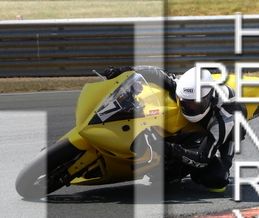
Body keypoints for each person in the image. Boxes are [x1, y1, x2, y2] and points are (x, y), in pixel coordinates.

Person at [103, 65, 249, 193]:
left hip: (228, 130)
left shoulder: (225, 118)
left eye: (195, 104)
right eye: (185, 103)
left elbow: (202, 158)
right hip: (197, 123)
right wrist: (125, 70)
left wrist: (168, 148)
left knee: (217, 180)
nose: (190, 107)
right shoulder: (183, 87)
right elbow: (156, 73)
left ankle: (206, 163)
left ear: (209, 98)